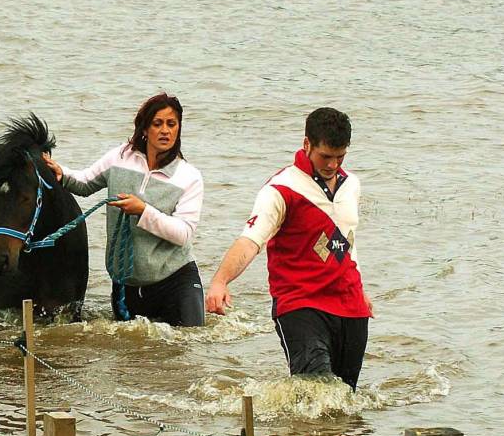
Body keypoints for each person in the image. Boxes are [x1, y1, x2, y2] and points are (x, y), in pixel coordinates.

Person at [205, 107, 372, 389]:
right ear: (306, 144)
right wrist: (220, 281)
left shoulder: (351, 185)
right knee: (316, 390)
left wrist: (362, 292)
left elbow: (347, 241)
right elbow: (250, 240)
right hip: (300, 304)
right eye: (325, 156)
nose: (332, 164)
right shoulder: (281, 189)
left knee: (344, 399)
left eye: (340, 156)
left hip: (350, 306)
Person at [43, 92, 205, 326]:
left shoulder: (189, 177)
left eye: (172, 124)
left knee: (189, 344)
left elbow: (183, 233)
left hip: (177, 281)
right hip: (126, 284)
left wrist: (143, 211)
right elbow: (86, 182)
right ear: (144, 128)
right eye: (157, 124)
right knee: (130, 358)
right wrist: (61, 172)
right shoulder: (120, 157)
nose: (165, 131)